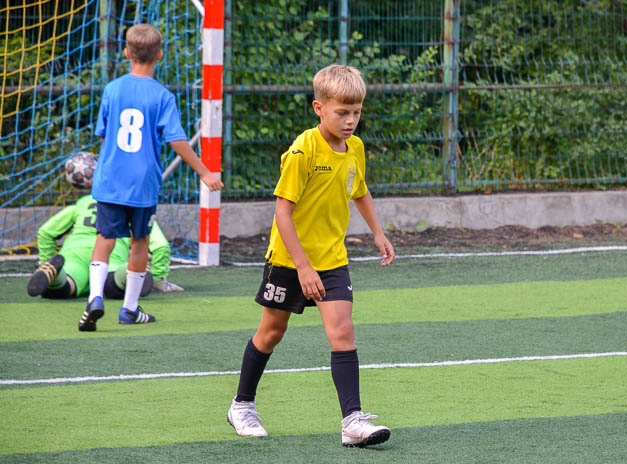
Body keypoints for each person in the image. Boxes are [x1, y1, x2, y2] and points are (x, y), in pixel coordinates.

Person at [226, 64, 395, 448]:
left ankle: (352, 421)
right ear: (318, 107)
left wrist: (378, 232)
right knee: (272, 333)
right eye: (342, 112)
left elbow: (360, 191)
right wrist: (302, 266)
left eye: (356, 112)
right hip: (289, 260)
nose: (350, 120)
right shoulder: (302, 150)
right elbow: (282, 213)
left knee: (343, 331)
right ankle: (242, 405)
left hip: (332, 258)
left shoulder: (355, 148)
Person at [80, 23, 223, 332]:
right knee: (140, 240)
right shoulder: (162, 96)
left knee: (104, 237)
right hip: (142, 184)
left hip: (110, 180)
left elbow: (104, 137)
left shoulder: (112, 89)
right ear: (160, 54)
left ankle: (94, 298)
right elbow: (177, 141)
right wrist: (204, 172)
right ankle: (129, 309)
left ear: (126, 53)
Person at [27, 193, 179, 300]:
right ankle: (128, 271)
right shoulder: (134, 206)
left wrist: (47, 258)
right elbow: (161, 246)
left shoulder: (84, 202)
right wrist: (158, 280)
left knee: (63, 287)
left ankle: (55, 274)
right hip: (112, 253)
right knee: (113, 286)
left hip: (75, 252)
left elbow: (45, 232)